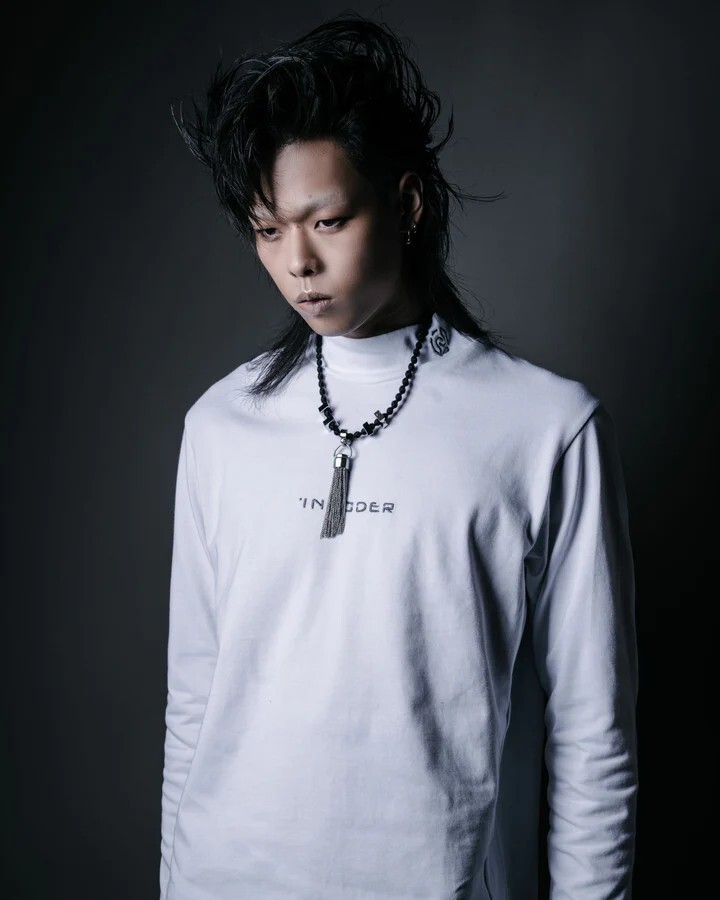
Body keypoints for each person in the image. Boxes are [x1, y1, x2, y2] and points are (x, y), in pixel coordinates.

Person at [159, 13, 638, 900]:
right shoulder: (221, 424)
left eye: (328, 220)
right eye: (267, 230)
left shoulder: (546, 428)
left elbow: (592, 732)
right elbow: (194, 698)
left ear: (408, 204)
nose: (298, 262)